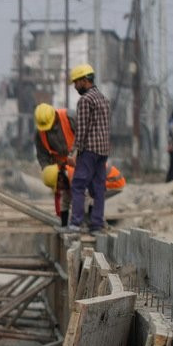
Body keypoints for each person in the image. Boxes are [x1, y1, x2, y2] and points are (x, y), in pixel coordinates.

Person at [66, 63, 111, 233]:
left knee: (78, 185)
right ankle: (96, 224)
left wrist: (75, 151)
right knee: (99, 187)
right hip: (103, 150)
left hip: (89, 150)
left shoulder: (85, 100)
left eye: (77, 83)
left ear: (85, 80)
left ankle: (75, 223)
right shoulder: (104, 99)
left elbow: (82, 129)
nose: (76, 86)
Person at [43, 161, 125, 228]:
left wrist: (80, 223)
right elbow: (65, 202)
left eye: (58, 186)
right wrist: (64, 226)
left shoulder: (75, 176)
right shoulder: (68, 178)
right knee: (85, 198)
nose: (59, 189)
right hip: (102, 181)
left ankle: (97, 225)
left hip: (114, 181)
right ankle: (95, 223)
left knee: (89, 196)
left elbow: (85, 201)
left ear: (60, 179)